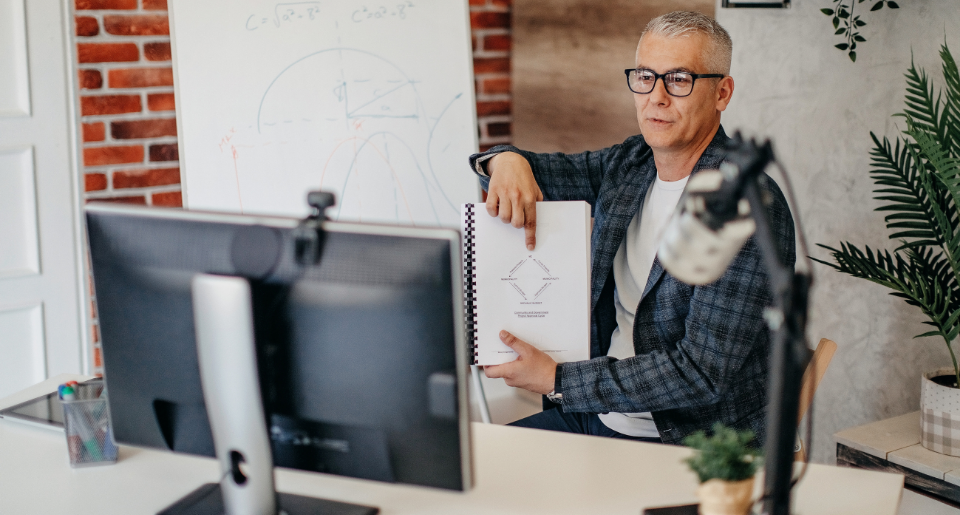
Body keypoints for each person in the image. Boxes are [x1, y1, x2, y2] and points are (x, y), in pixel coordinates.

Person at [467, 11, 795, 446]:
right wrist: (504, 160)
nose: (656, 97)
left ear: (722, 92)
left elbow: (700, 372)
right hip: (598, 415)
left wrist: (558, 379)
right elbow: (538, 172)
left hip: (691, 442)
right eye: (645, 76)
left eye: (678, 79)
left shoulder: (743, 204)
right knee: (474, 464)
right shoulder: (632, 163)